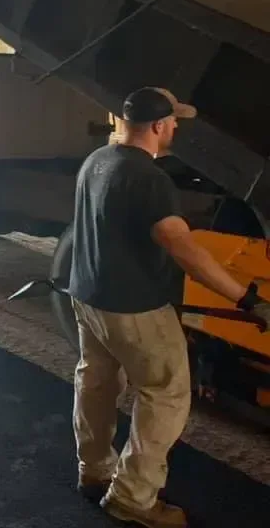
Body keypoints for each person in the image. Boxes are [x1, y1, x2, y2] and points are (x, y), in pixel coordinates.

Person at [68, 86, 270, 528]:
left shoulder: (98, 160)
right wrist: (246, 299)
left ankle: (94, 471)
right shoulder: (148, 178)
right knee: (166, 394)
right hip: (134, 307)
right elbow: (184, 249)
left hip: (87, 297)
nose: (177, 126)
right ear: (159, 126)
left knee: (97, 383)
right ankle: (133, 498)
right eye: (175, 120)